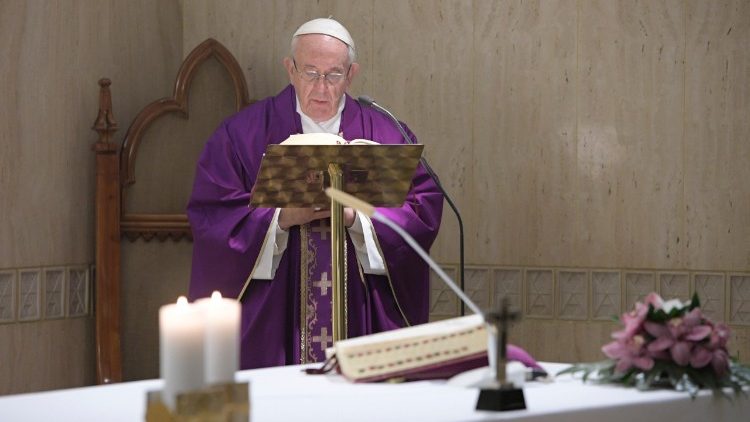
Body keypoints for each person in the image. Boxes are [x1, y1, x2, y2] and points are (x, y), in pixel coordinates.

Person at [187, 18, 443, 369]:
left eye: (334, 75)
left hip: (360, 315)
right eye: (310, 73)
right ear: (290, 70)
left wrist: (357, 219)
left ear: (351, 74)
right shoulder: (240, 135)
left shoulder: (388, 133)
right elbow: (213, 217)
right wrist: (281, 219)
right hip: (275, 320)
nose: (321, 87)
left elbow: (422, 210)